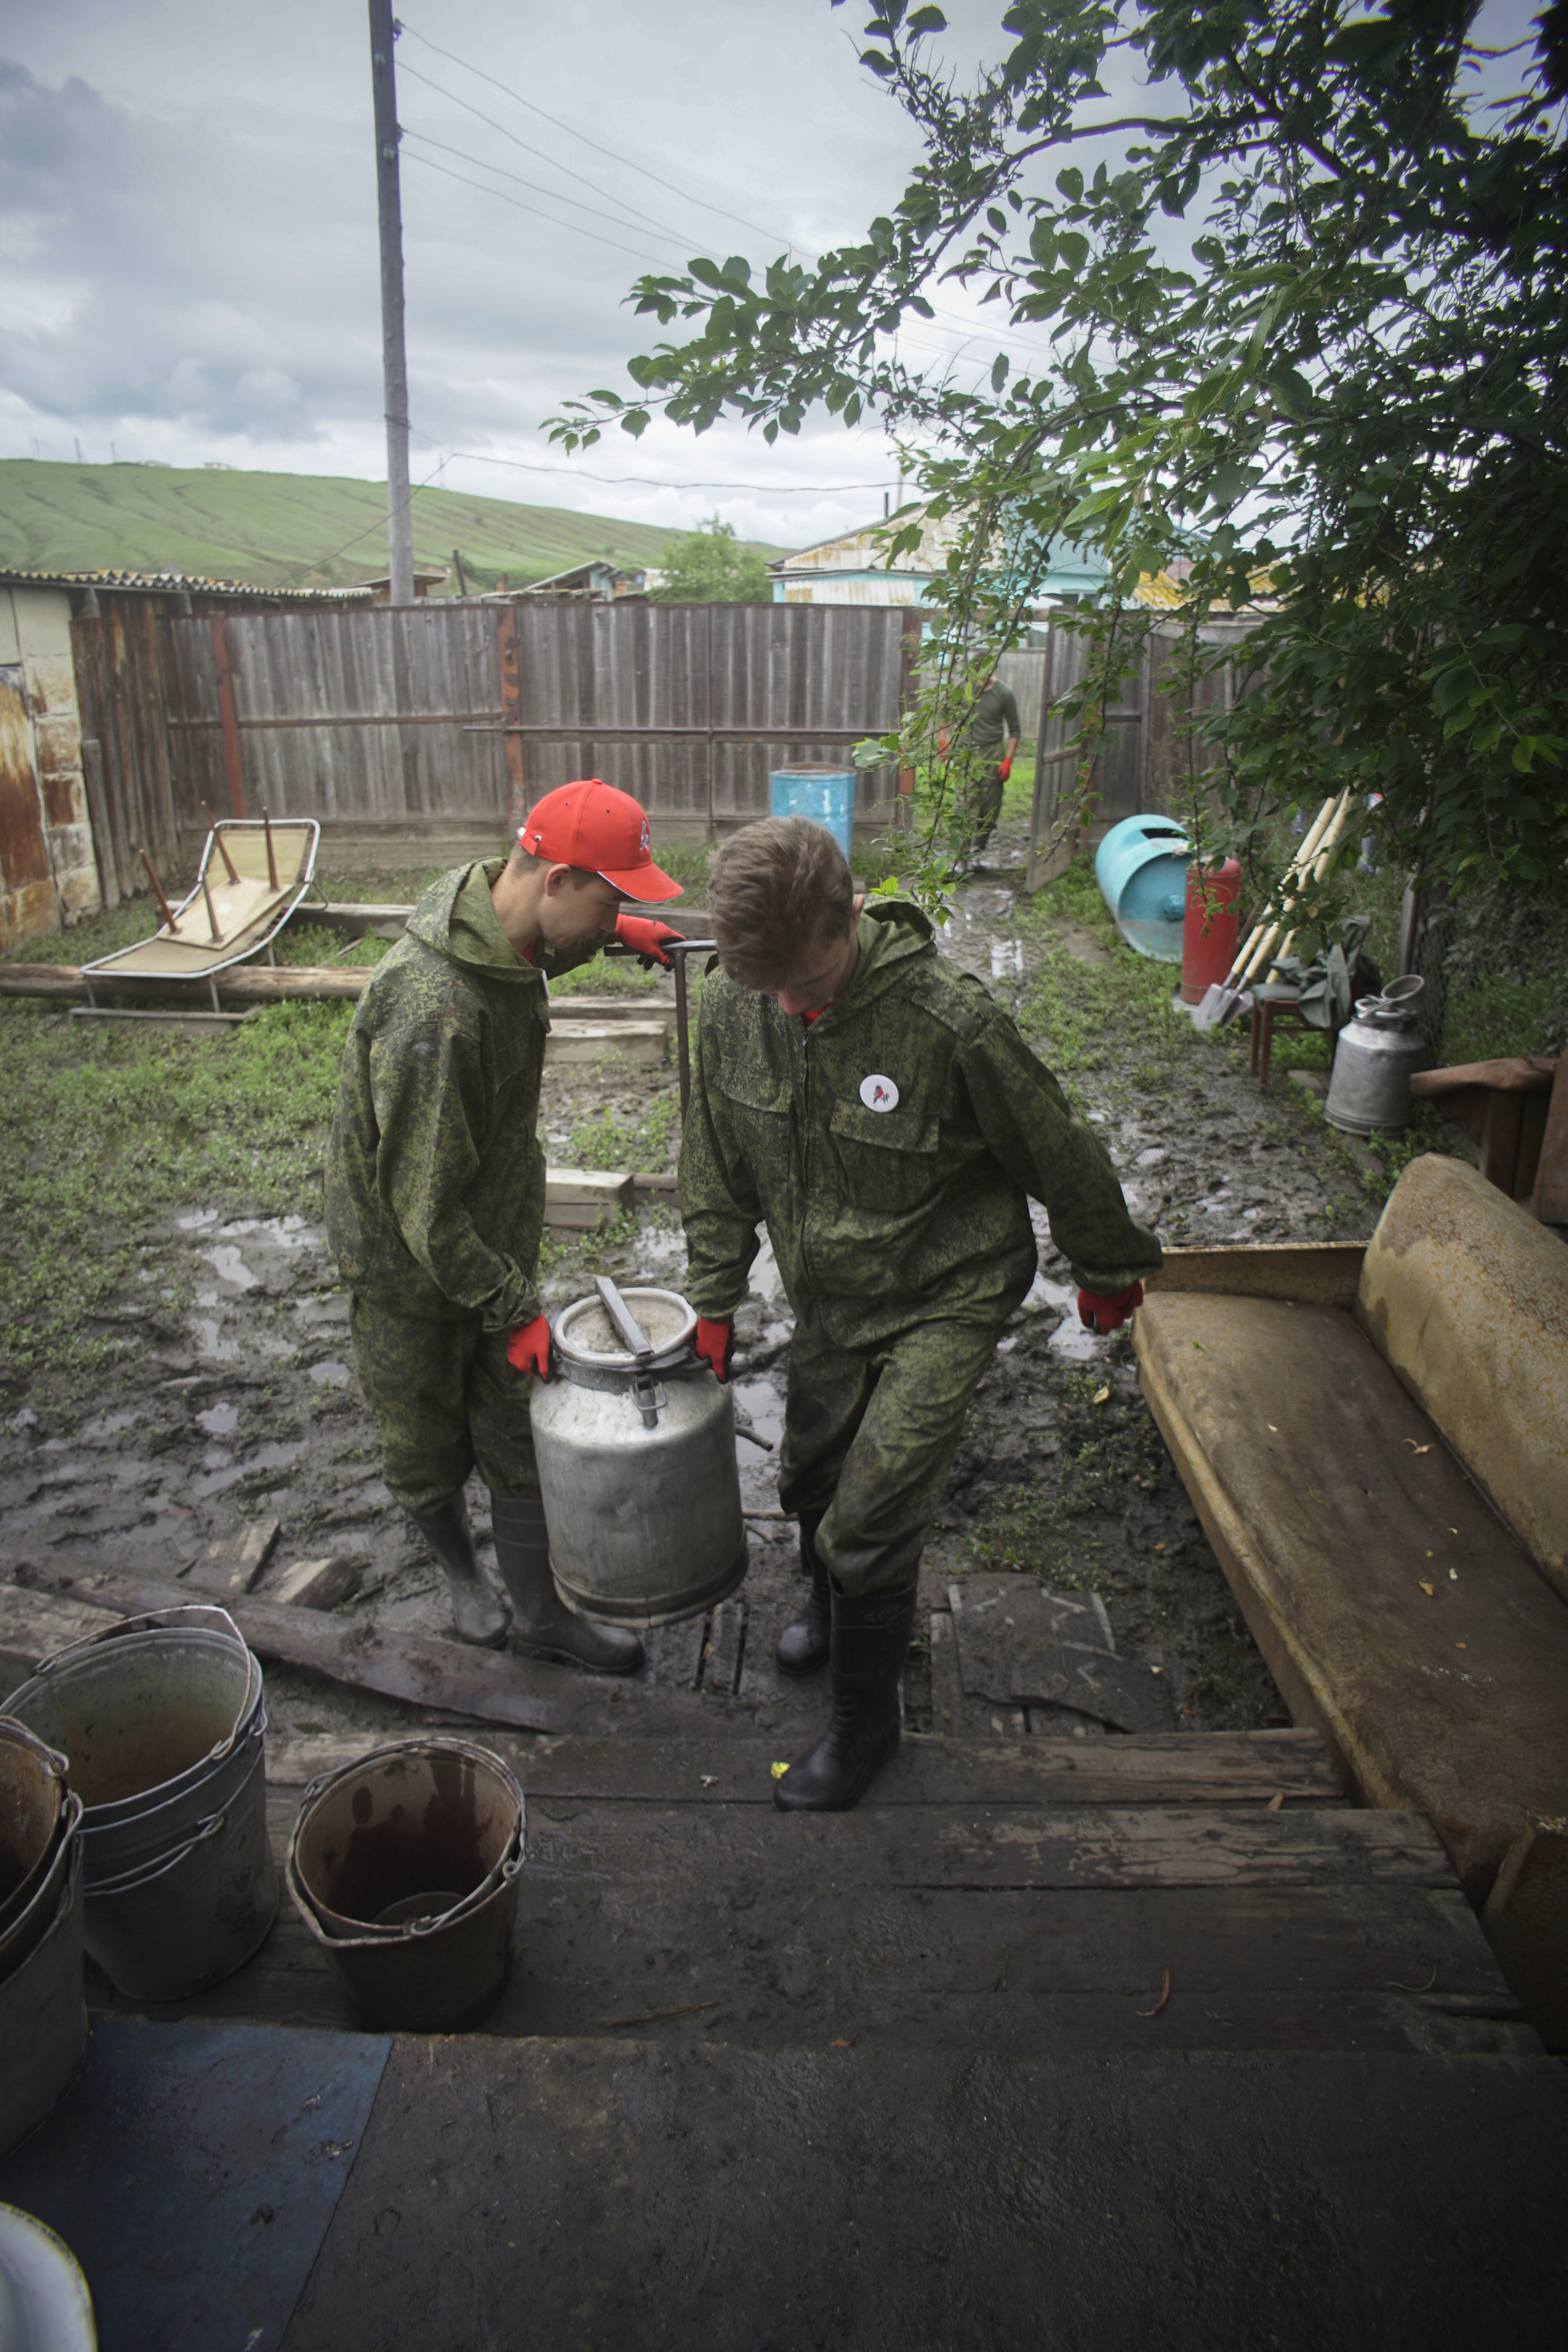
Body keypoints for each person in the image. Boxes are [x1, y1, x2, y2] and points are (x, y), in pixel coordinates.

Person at [679, 816, 1161, 1810]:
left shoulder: (951, 1022)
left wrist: (1107, 1266)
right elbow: (716, 1160)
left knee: (873, 1506)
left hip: (947, 1290)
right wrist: (712, 1297)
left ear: (849, 917)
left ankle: (866, 1725)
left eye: (802, 985)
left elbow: (1055, 1144)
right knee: (810, 1464)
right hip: (834, 1300)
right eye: (762, 986)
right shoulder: (736, 1003)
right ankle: (830, 1608)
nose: (783, 1005)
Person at [324, 780, 683, 1669]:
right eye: (613, 901)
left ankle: (539, 1611)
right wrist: (512, 1308)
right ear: (558, 877)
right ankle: (462, 1582)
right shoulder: (433, 1010)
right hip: (411, 1271)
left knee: (517, 1433)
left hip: (487, 1244)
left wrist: (616, 938)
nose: (617, 917)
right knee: (424, 1444)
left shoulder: (502, 932)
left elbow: (531, 954)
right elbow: (423, 1208)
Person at [950, 668, 1021, 867]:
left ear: (992, 671)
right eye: (975, 676)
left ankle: (977, 855)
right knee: (964, 806)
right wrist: (943, 742)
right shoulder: (963, 690)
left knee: (990, 807)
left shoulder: (1004, 694)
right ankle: (960, 859)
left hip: (993, 753)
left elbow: (1015, 730)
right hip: (966, 753)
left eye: (983, 676)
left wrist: (1008, 760)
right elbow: (943, 713)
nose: (979, 682)